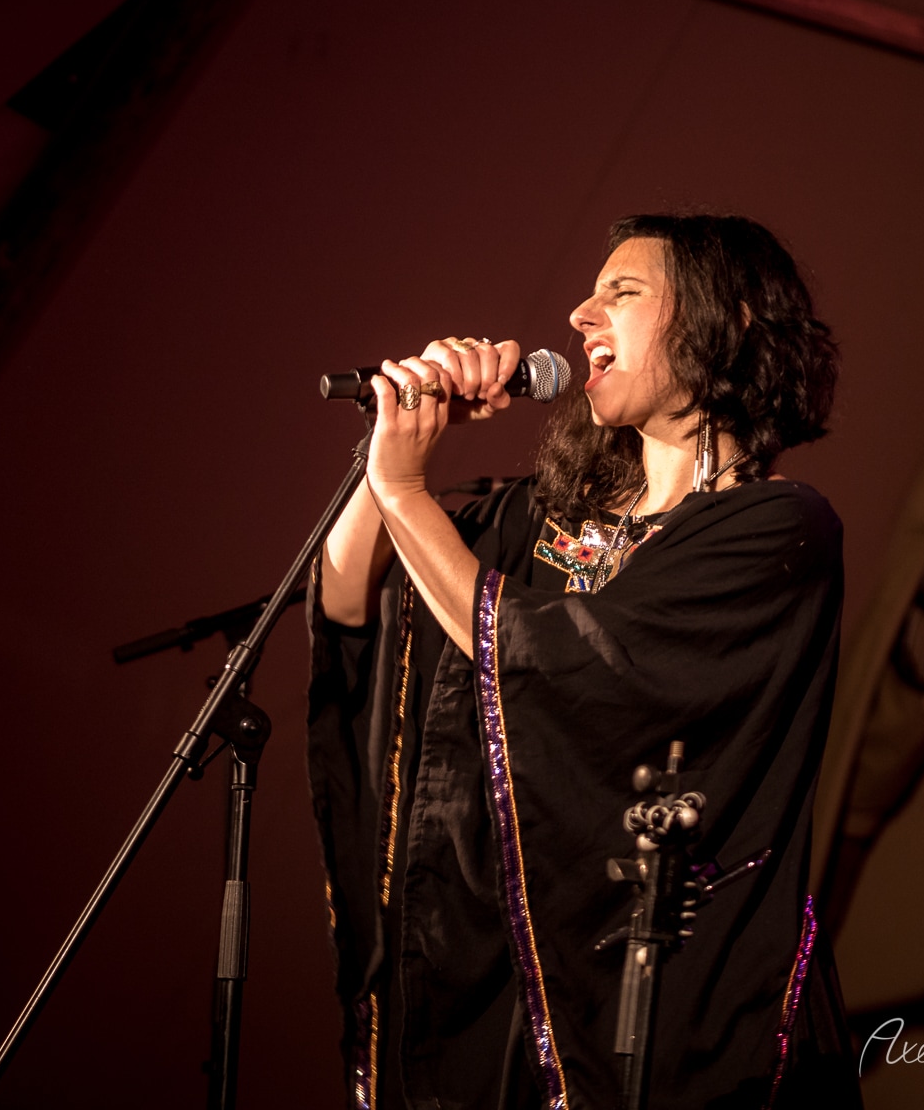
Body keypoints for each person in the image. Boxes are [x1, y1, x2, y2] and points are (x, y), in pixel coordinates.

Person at [307, 213, 861, 1109]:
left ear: (727, 321)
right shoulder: (541, 517)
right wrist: (399, 455)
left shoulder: (779, 528)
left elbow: (564, 659)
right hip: (504, 997)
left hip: (667, 999)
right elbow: (347, 600)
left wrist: (406, 493)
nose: (579, 315)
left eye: (623, 292)